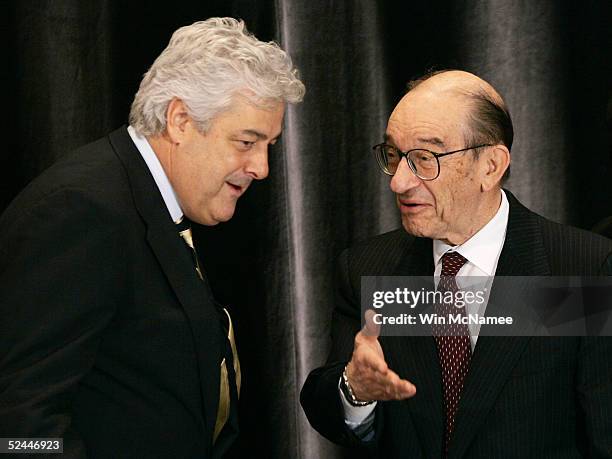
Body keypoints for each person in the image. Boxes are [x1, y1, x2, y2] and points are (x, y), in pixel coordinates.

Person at [0, 18, 304, 458]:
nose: (261, 167)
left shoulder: (152, 200)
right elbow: (16, 425)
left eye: (268, 146)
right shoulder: (81, 211)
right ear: (180, 119)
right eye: (246, 141)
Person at [300, 70, 612, 457]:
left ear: (491, 166)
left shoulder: (580, 268)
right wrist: (355, 390)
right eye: (394, 155)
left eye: (425, 159)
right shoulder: (368, 268)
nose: (398, 182)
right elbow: (329, 407)